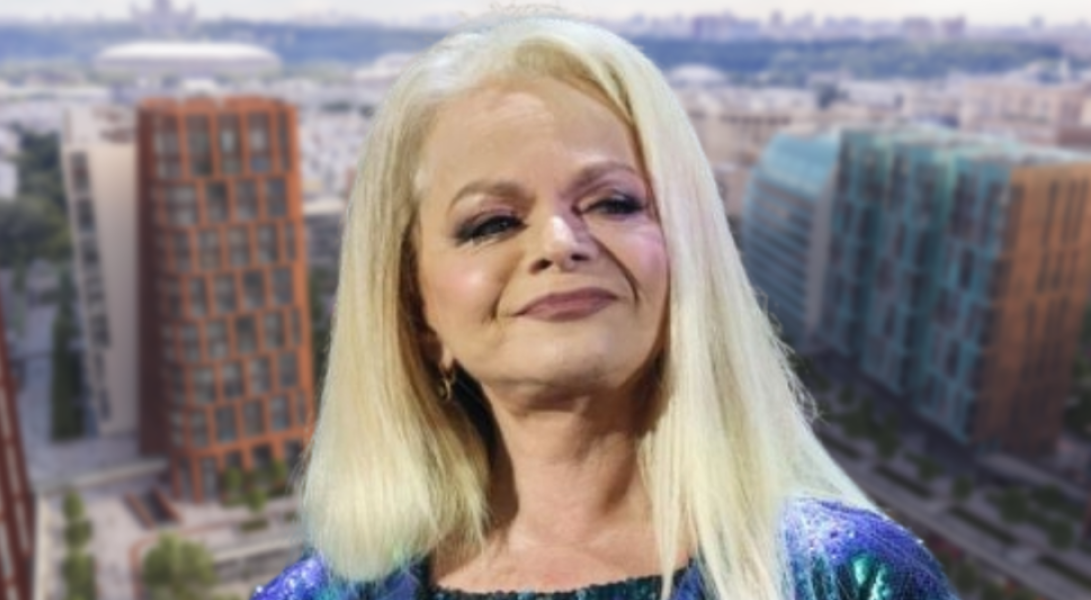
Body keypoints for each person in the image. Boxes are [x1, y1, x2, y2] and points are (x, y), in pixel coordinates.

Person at [253, 12, 958, 600]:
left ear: (688, 255)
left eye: (614, 202)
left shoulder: (849, 579)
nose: (561, 243)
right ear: (417, 312)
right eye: (491, 222)